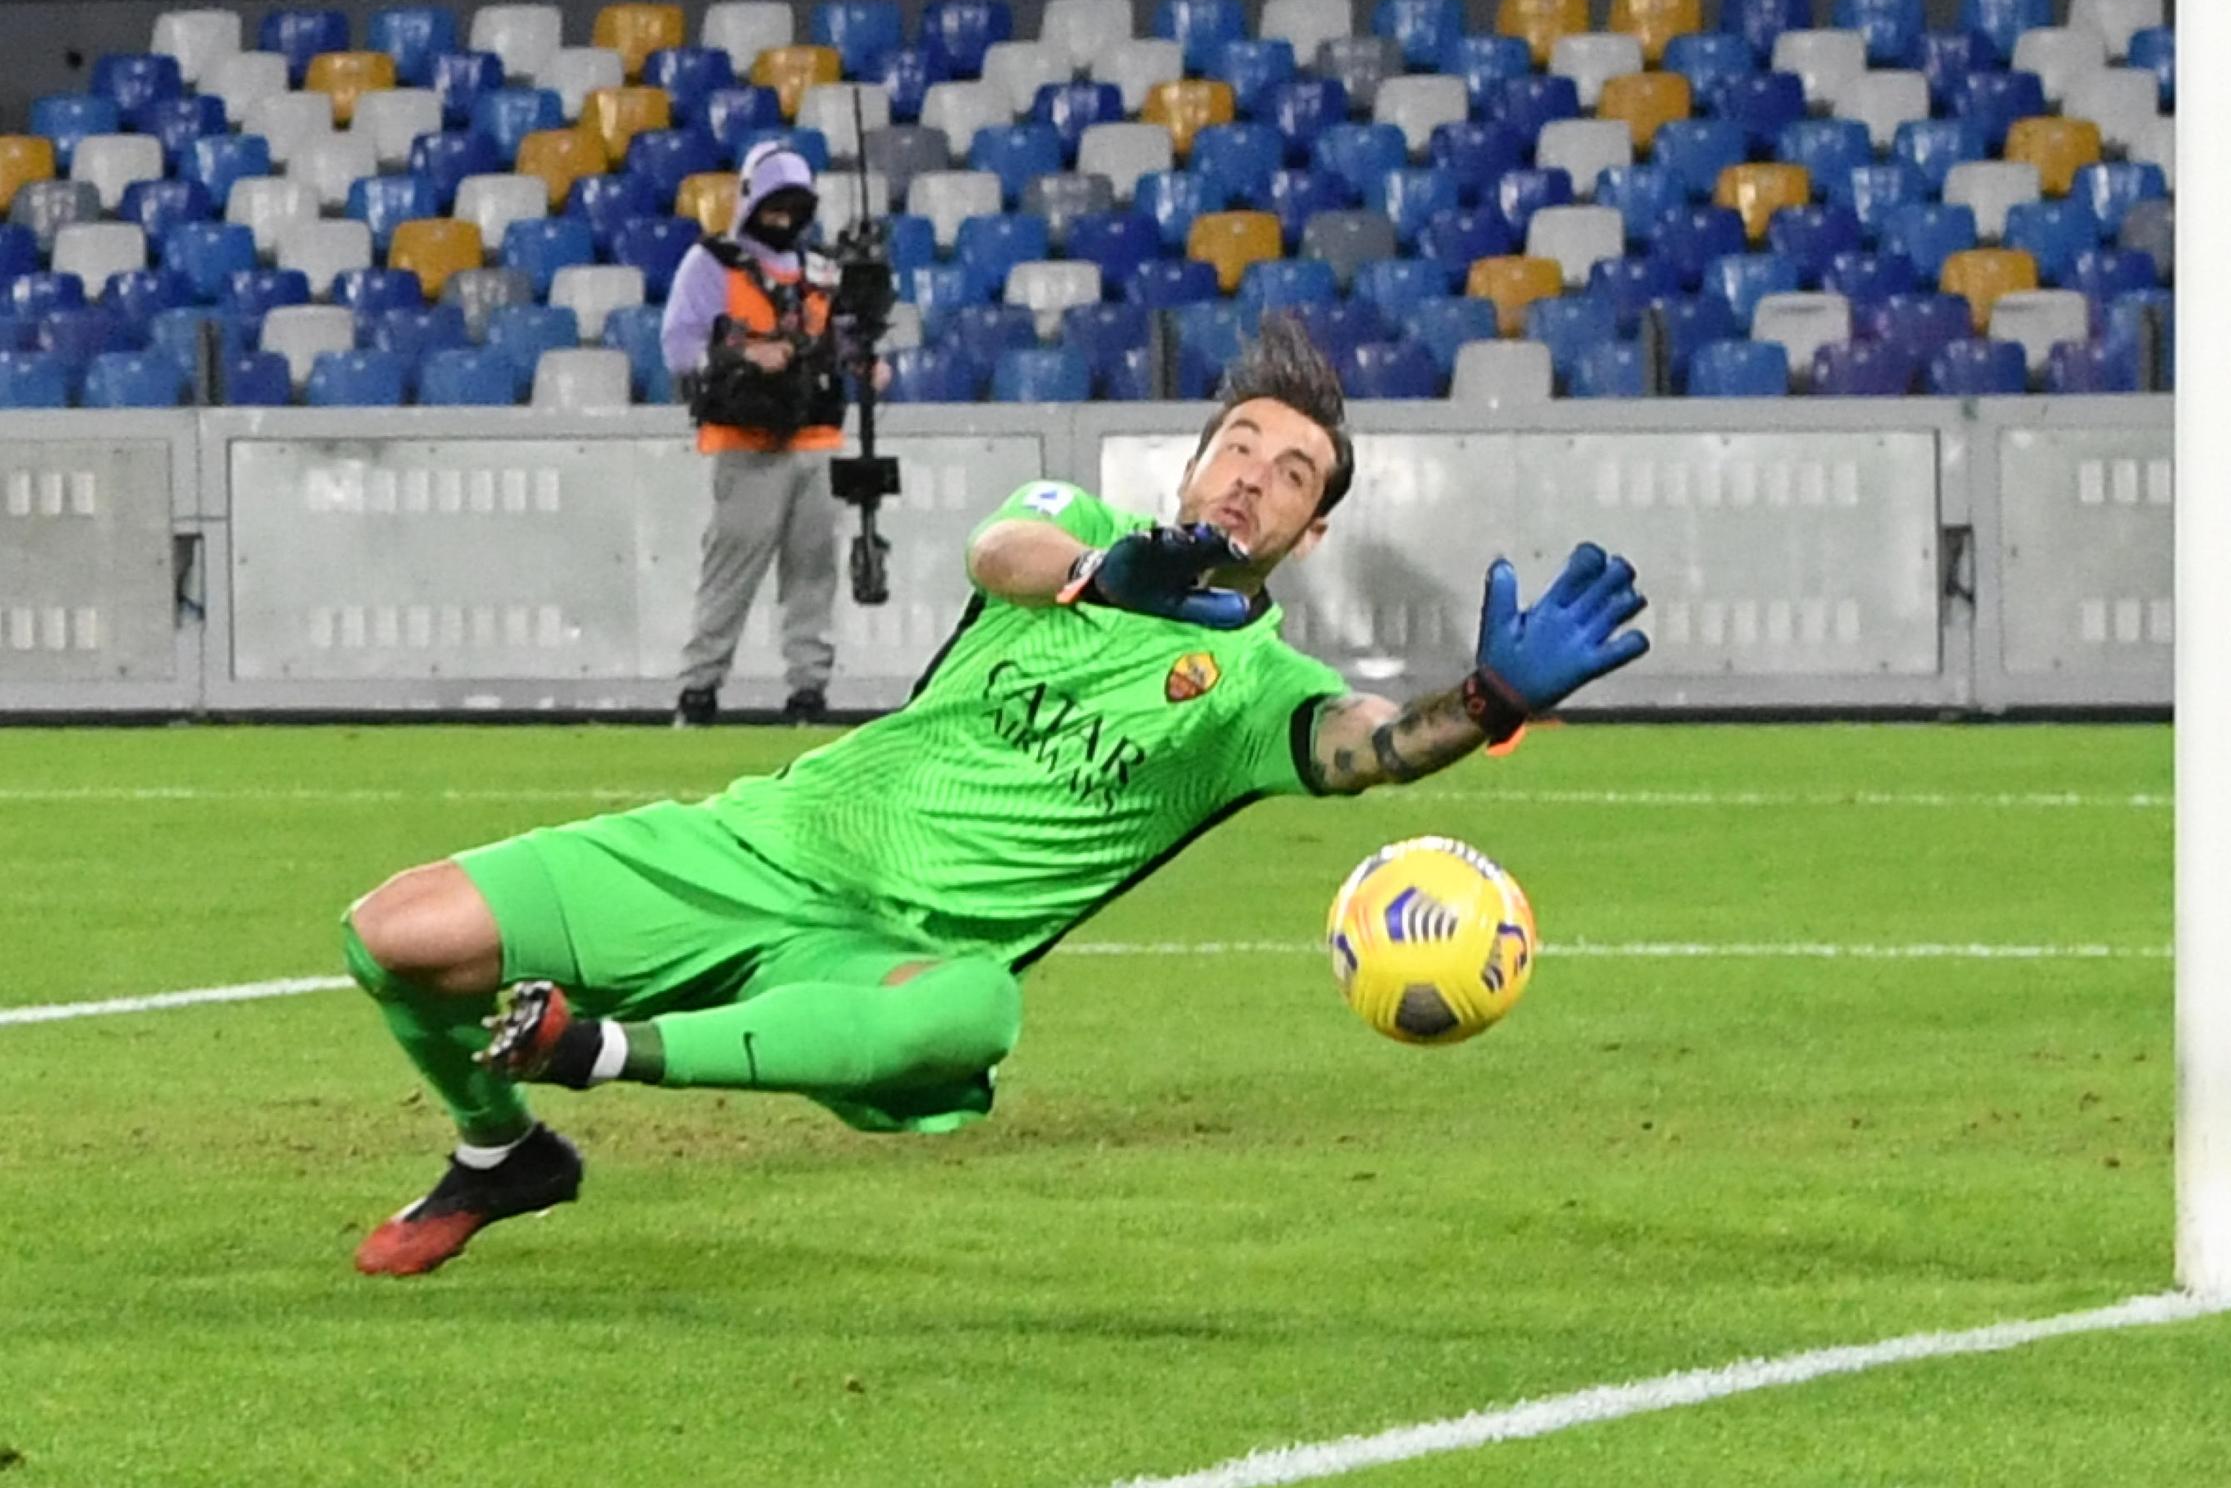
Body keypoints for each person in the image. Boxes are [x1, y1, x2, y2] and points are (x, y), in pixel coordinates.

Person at [340, 316, 1652, 1276]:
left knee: (977, 1010)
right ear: (1192, 468)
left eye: (1291, 473)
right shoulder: (1068, 522)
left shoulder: (1255, 694)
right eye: (1238, 446)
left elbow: (1369, 745)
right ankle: (502, 1151)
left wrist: (1485, 705)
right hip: (760, 842)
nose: (1253, 473)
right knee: (395, 935)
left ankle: (602, 1053)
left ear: (1308, 536)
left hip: (900, 964)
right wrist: (1100, 570)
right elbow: (1000, 549)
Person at [662, 141, 843, 728]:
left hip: (813, 438)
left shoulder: (820, 271)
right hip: (747, 442)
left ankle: (809, 690)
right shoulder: (711, 263)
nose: (783, 219)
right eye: (774, 205)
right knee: (731, 573)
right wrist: (743, 354)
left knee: (813, 574)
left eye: (793, 207)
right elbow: (679, 345)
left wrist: (861, 363)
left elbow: (839, 345)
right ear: (751, 203)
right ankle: (699, 689)